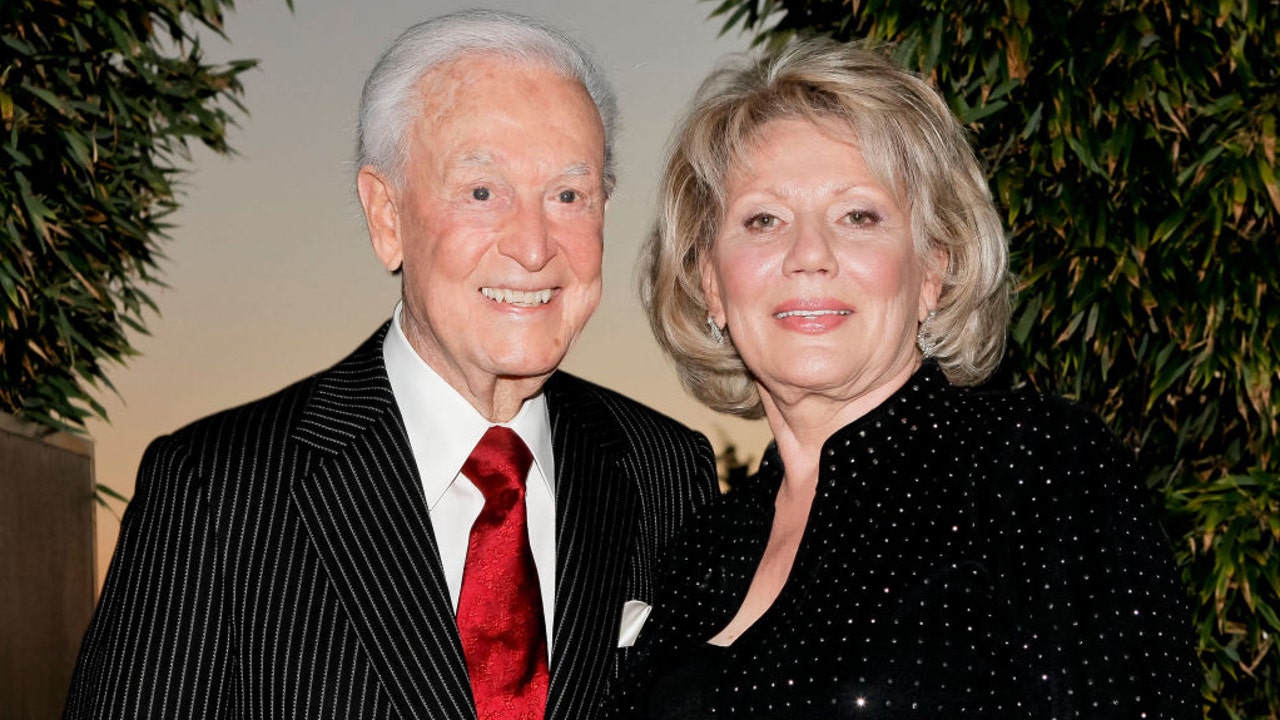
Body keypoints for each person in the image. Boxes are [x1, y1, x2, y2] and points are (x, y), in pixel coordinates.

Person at [63, 10, 717, 720]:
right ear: (386, 216)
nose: (533, 247)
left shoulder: (664, 471)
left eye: (568, 196)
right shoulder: (217, 491)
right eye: (482, 192)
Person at [609, 38, 1200, 719]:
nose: (809, 254)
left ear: (932, 269)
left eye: (858, 216)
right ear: (711, 283)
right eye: (764, 219)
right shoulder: (698, 549)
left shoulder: (1034, 468)